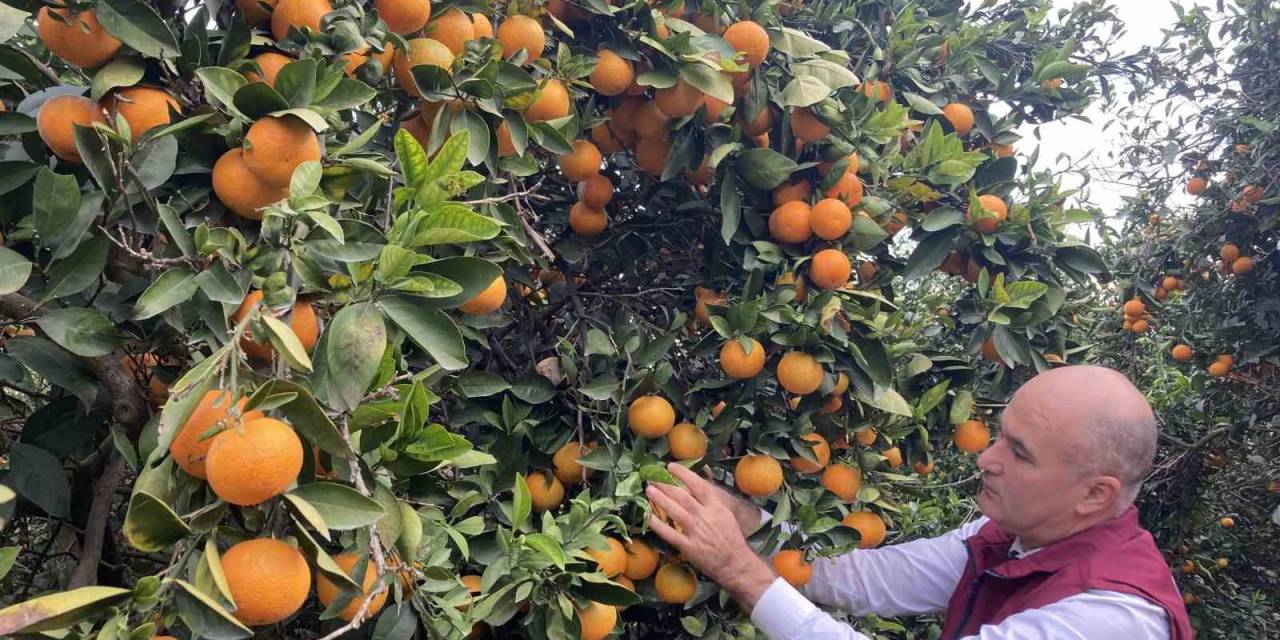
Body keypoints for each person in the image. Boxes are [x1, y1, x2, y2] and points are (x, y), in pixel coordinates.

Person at [645, 365, 1193, 639]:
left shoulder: (1114, 618)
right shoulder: (1004, 538)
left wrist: (741, 571)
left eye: (1019, 453)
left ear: (1094, 494)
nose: (987, 458)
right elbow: (850, 577)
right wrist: (742, 518)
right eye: (998, 436)